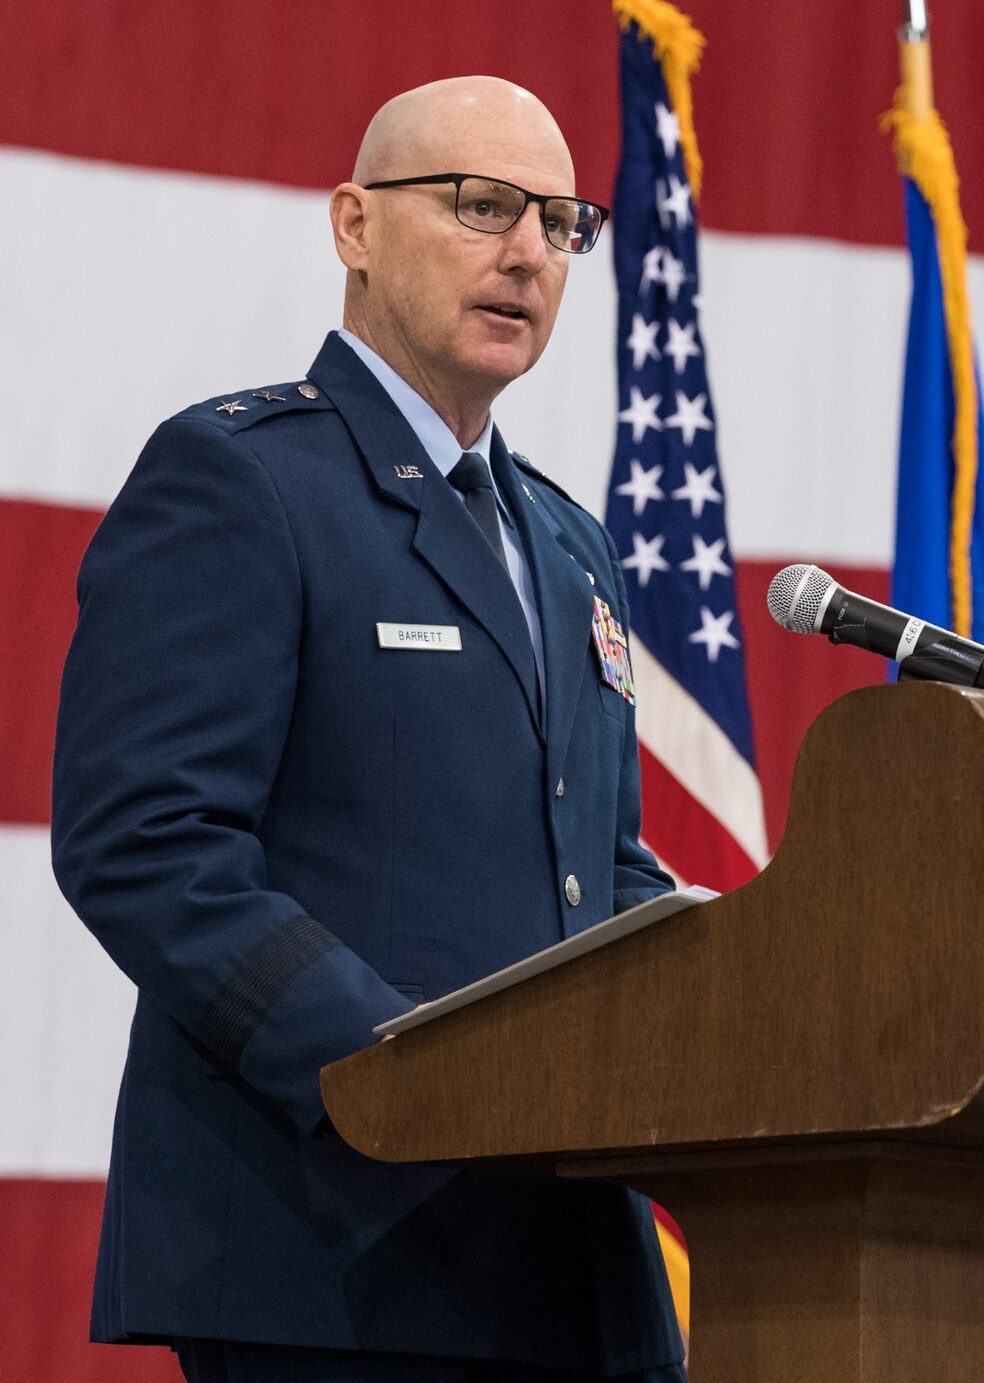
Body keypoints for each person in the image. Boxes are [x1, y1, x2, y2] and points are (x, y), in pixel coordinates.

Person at [51, 77, 686, 1382]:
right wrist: (406, 1075)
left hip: (567, 1258)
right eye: (480, 205)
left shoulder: (572, 546)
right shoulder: (243, 478)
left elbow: (599, 871)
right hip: (336, 1248)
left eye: (562, 222)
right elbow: (148, 842)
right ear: (353, 224)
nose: (527, 251)